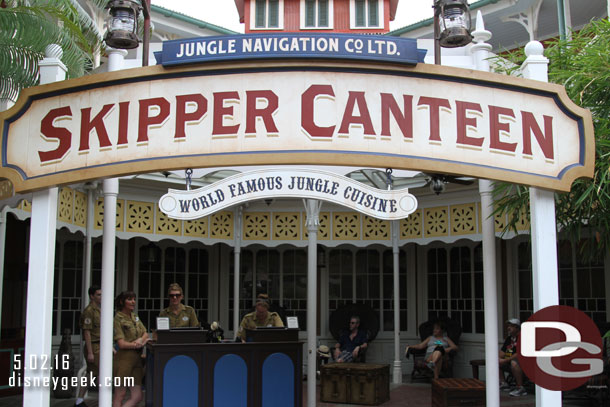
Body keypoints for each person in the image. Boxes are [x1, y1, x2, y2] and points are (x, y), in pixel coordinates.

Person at [113, 291, 149, 407]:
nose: (133, 302)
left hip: (137, 360)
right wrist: (136, 344)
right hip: (124, 360)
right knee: (120, 394)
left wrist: (140, 340)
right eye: (130, 299)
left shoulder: (135, 316)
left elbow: (145, 333)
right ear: (122, 302)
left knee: (137, 396)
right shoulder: (118, 319)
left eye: (134, 299)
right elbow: (121, 343)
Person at [75, 285, 101, 407]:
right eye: (98, 295)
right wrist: (90, 352)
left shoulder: (99, 310)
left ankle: (79, 400)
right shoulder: (89, 311)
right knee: (101, 373)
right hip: (94, 346)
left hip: (100, 345)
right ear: (92, 296)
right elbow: (87, 332)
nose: (101, 297)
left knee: (91, 374)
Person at [499, 318, 527, 397]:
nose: (508, 328)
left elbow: (519, 354)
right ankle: (504, 383)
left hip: (523, 364)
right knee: (495, 361)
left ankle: (520, 388)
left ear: (517, 328)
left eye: (511, 326)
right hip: (508, 361)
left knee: (514, 363)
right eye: (508, 326)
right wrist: (498, 358)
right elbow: (502, 351)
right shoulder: (509, 339)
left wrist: (504, 360)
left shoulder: (523, 337)